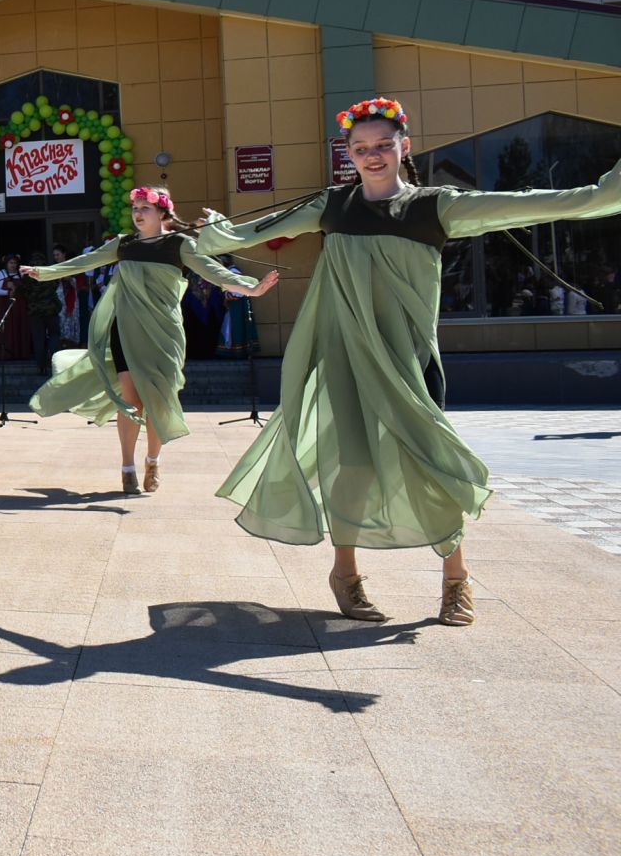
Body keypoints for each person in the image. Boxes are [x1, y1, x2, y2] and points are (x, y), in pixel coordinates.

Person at [198, 96, 621, 627]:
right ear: (348, 154)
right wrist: (214, 231)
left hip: (410, 363)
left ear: (405, 146)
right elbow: (246, 233)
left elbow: (547, 202)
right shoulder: (332, 206)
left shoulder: (436, 206)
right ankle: (345, 574)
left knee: (434, 468)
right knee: (350, 464)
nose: (372, 156)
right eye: (360, 149)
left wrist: (607, 192)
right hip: (346, 358)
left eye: (382, 145)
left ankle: (456, 581)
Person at [26, 187, 276, 496]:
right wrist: (44, 272)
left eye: (145, 208)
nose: (138, 213)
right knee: (132, 401)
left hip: (163, 334)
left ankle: (153, 462)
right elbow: (84, 262)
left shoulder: (180, 245)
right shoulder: (124, 245)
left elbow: (214, 272)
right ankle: (127, 468)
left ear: (163, 214)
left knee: (158, 401)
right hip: (126, 330)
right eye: (136, 208)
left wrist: (250, 289)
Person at [0, 254, 33, 359]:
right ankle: (5, 354)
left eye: (15, 263)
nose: (13, 265)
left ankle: (20, 353)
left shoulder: (21, 275)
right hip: (4, 306)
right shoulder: (0, 274)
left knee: (19, 327)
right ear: (6, 263)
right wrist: (7, 293)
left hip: (19, 307)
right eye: (11, 263)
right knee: (6, 329)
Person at [23, 258, 62, 371]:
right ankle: (54, 362)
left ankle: (41, 367)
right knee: (54, 335)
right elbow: (55, 286)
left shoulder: (27, 279)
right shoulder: (49, 276)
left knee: (38, 339)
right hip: (51, 310)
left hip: (34, 312)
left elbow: (22, 292)